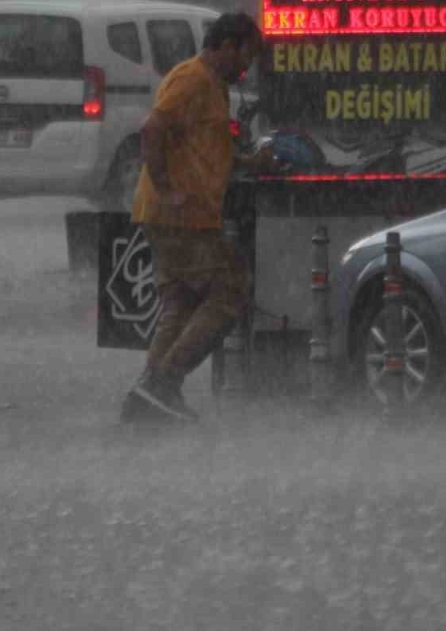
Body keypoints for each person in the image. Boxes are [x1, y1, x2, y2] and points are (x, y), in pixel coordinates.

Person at [120, 12, 274, 424]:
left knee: (183, 300)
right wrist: (168, 188)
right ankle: (164, 382)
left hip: (186, 216)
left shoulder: (215, 88)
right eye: (246, 56)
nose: (247, 67)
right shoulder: (191, 79)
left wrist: (247, 160)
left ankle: (146, 397)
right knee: (230, 292)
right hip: (179, 216)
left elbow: (203, 149)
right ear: (226, 45)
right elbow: (152, 129)